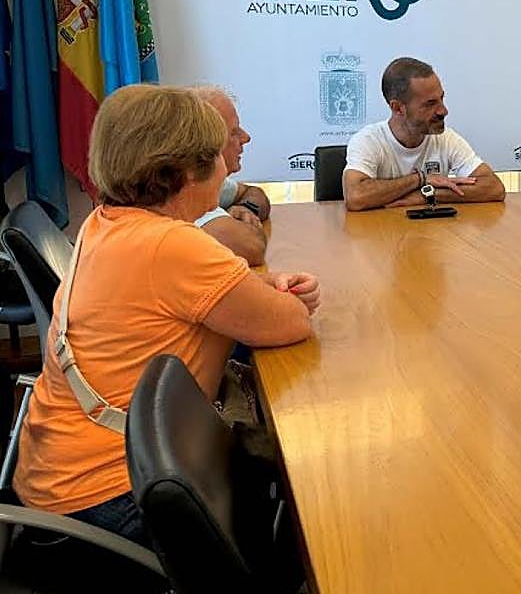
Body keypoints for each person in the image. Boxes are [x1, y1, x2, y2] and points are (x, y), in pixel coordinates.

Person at [14, 85, 320, 545]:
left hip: (56, 476)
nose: (226, 164)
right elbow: (292, 322)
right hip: (115, 497)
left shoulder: (108, 223)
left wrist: (259, 289)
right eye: (217, 153)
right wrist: (279, 298)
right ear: (186, 171)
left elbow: (187, 297)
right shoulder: (173, 246)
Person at [342, 57, 506, 211]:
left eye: (442, 99)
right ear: (398, 108)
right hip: (381, 234)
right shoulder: (368, 141)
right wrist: (420, 179)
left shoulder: (446, 139)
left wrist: (426, 194)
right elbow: (356, 196)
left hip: (433, 235)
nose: (443, 111)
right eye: (430, 104)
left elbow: (494, 188)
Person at [193, 86, 271, 266]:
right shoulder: (185, 190)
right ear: (206, 144)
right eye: (234, 132)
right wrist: (244, 225)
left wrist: (246, 210)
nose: (246, 137)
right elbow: (250, 247)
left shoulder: (208, 181)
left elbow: (253, 192)